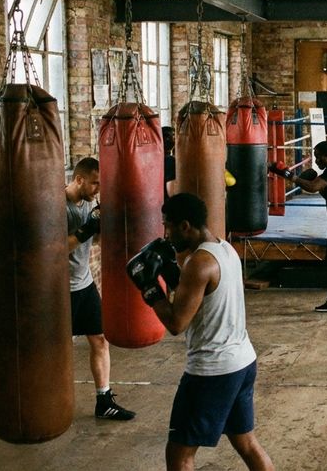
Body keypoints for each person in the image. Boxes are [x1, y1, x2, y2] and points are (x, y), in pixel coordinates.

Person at [128, 193, 273, 471]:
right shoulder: (225, 249)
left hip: (212, 372)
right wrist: (172, 273)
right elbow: (202, 297)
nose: (165, 234)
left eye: (168, 226)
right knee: (247, 443)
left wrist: (149, 287)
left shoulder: (198, 264)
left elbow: (176, 323)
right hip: (242, 362)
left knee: (179, 455)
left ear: (185, 225)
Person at [64, 157, 136, 421]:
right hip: (60, 292)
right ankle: (48, 402)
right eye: (94, 183)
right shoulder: (59, 207)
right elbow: (57, 249)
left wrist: (108, 226)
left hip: (84, 284)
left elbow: (93, 241)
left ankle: (104, 400)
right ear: (79, 179)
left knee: (100, 339)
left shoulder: (91, 204)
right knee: (58, 350)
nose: (97, 189)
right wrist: (86, 229)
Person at [271, 140, 327, 321]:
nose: (317, 161)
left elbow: (313, 187)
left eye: (319, 157)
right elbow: (316, 187)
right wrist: (303, 178)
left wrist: (293, 177)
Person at [162, 126, 176, 200]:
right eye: (166, 136)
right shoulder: (170, 161)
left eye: (173, 136)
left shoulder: (172, 159)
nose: (171, 140)